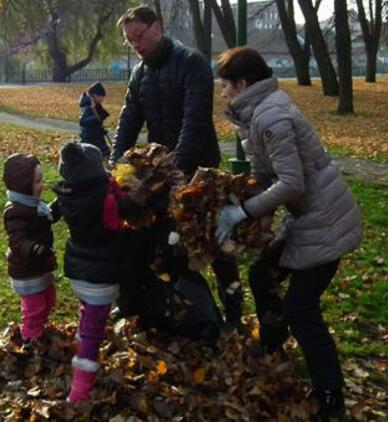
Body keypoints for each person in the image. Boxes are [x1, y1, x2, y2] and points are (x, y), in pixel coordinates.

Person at [215, 46, 363, 419]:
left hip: (324, 222)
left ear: (242, 83)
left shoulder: (270, 117)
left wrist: (244, 210)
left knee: (301, 309)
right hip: (309, 219)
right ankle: (273, 345)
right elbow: (270, 173)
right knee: (262, 273)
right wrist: (238, 193)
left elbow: (292, 184)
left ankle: (330, 397)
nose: (222, 93)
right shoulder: (262, 111)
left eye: (225, 86)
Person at [112, 5, 242, 330]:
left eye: (139, 36)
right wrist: (116, 168)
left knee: (216, 244)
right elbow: (128, 121)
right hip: (164, 176)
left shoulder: (191, 63)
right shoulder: (138, 74)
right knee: (162, 242)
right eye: (130, 41)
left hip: (202, 172)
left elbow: (194, 122)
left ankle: (234, 314)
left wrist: (178, 172)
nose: (136, 44)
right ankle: (167, 305)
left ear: (157, 27)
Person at [53, 141, 140, 403]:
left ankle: (84, 337)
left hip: (77, 271)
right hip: (102, 274)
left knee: (87, 310)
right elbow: (133, 209)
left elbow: (49, 213)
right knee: (94, 331)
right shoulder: (107, 197)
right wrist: (137, 191)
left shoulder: (65, 195)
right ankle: (80, 388)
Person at [2, 153, 60, 344]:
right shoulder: (15, 212)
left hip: (39, 266)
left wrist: (61, 202)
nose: (42, 185)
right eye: (37, 181)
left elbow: (49, 216)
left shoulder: (34, 206)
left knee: (48, 300)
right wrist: (35, 249)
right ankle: (31, 338)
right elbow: (17, 242)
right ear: (22, 185)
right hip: (27, 270)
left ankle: (39, 327)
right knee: (34, 307)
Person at [78, 81, 111, 160]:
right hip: (90, 138)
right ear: (95, 96)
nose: (102, 99)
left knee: (104, 154)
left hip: (97, 136)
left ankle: (105, 168)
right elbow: (82, 122)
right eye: (101, 96)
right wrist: (96, 119)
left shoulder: (97, 106)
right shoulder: (88, 108)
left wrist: (101, 130)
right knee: (93, 155)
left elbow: (98, 122)